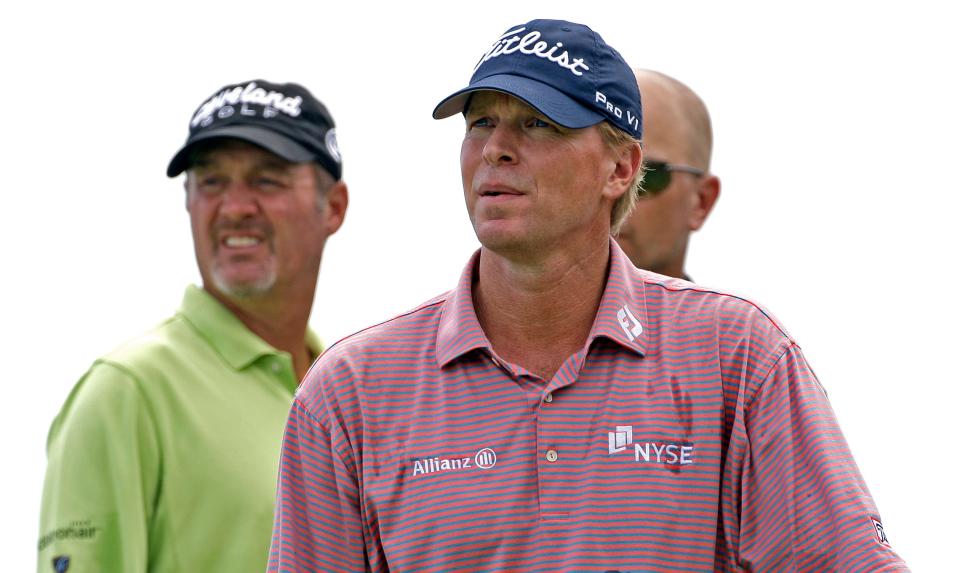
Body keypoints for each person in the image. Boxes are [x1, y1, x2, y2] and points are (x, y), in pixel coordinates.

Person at [268, 20, 908, 572]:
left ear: (622, 167)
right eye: (481, 121)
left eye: (537, 124)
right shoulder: (348, 392)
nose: (496, 148)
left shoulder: (736, 356)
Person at [37, 80, 348, 572]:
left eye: (267, 179)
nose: (235, 206)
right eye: (211, 181)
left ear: (333, 207)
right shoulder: (126, 391)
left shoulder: (350, 390)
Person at [614, 69, 720, 280]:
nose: (612, 191)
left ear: (701, 201)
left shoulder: (740, 314)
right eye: (594, 171)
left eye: (646, 176)